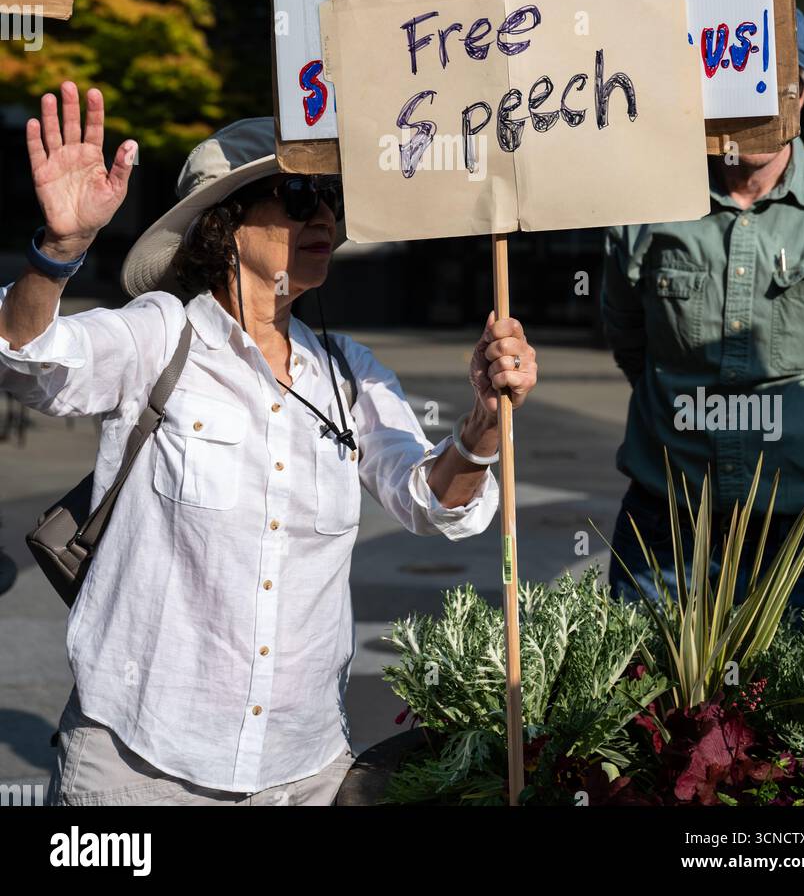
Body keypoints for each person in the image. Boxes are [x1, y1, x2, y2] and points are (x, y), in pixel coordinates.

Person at [0, 81, 537, 806]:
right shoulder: (162, 334)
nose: (322, 213)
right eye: (295, 195)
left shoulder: (348, 370)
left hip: (300, 771)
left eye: (328, 198)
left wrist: (480, 425)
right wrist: (58, 253)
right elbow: (30, 361)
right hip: (139, 763)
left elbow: (433, 503)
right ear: (223, 224)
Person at [601, 10, 804, 634]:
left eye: (774, 86)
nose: (751, 105)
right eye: (731, 83)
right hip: (670, 539)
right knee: (647, 717)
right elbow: (629, 340)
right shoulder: (645, 209)